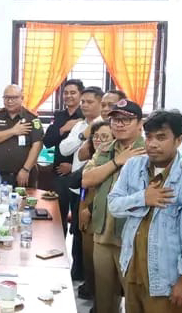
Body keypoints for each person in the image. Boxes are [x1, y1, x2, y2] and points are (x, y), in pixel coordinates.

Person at [109, 110, 182, 313]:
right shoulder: (133, 166)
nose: (153, 144)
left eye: (161, 137)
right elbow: (113, 205)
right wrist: (143, 198)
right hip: (132, 269)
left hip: (166, 280)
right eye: (149, 137)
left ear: (179, 140)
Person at [82, 99, 147, 313]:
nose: (119, 124)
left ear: (140, 124)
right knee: (104, 299)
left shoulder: (148, 152)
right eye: (115, 119)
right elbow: (86, 179)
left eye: (126, 120)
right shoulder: (106, 149)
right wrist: (117, 161)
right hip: (102, 233)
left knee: (134, 299)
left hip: (131, 238)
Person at [59, 86, 104, 281]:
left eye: (89, 102)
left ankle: (88, 279)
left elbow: (86, 155)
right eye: (83, 102)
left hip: (95, 188)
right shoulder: (79, 126)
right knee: (78, 231)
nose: (84, 105)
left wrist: (91, 135)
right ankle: (77, 274)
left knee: (89, 234)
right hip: (78, 187)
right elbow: (64, 149)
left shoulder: (104, 126)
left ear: (101, 103)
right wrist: (81, 135)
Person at [77, 121, 113, 303]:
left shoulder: (114, 160)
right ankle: (91, 293)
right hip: (84, 208)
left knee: (99, 265)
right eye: (96, 136)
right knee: (87, 258)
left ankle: (99, 302)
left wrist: (90, 209)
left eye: (105, 137)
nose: (99, 140)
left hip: (98, 214)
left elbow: (110, 190)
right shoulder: (95, 157)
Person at [44, 79, 85, 238]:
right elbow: (48, 141)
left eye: (73, 92)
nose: (68, 96)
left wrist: (73, 167)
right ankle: (58, 246)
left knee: (77, 219)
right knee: (57, 215)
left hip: (79, 174)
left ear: (81, 94)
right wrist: (63, 129)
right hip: (59, 173)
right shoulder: (59, 116)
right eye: (66, 93)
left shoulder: (85, 116)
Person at [0, 85, 43, 186]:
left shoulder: (32, 118)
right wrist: (13, 131)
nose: (9, 101)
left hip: (22, 175)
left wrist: (26, 169)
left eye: (14, 98)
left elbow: (37, 146)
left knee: (25, 197)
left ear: (22, 98)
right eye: (6, 97)